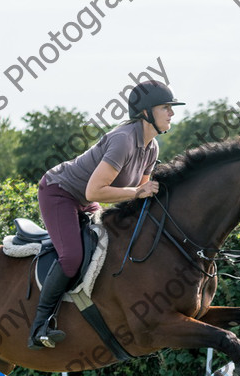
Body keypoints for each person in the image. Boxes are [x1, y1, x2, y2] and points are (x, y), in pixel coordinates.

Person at [28, 80, 185, 349]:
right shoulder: (123, 140)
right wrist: (138, 192)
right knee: (72, 257)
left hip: (86, 198)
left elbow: (139, 194)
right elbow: (95, 191)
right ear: (146, 112)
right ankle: (40, 326)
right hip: (60, 192)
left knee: (108, 247)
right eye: (166, 107)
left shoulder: (152, 147)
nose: (171, 113)